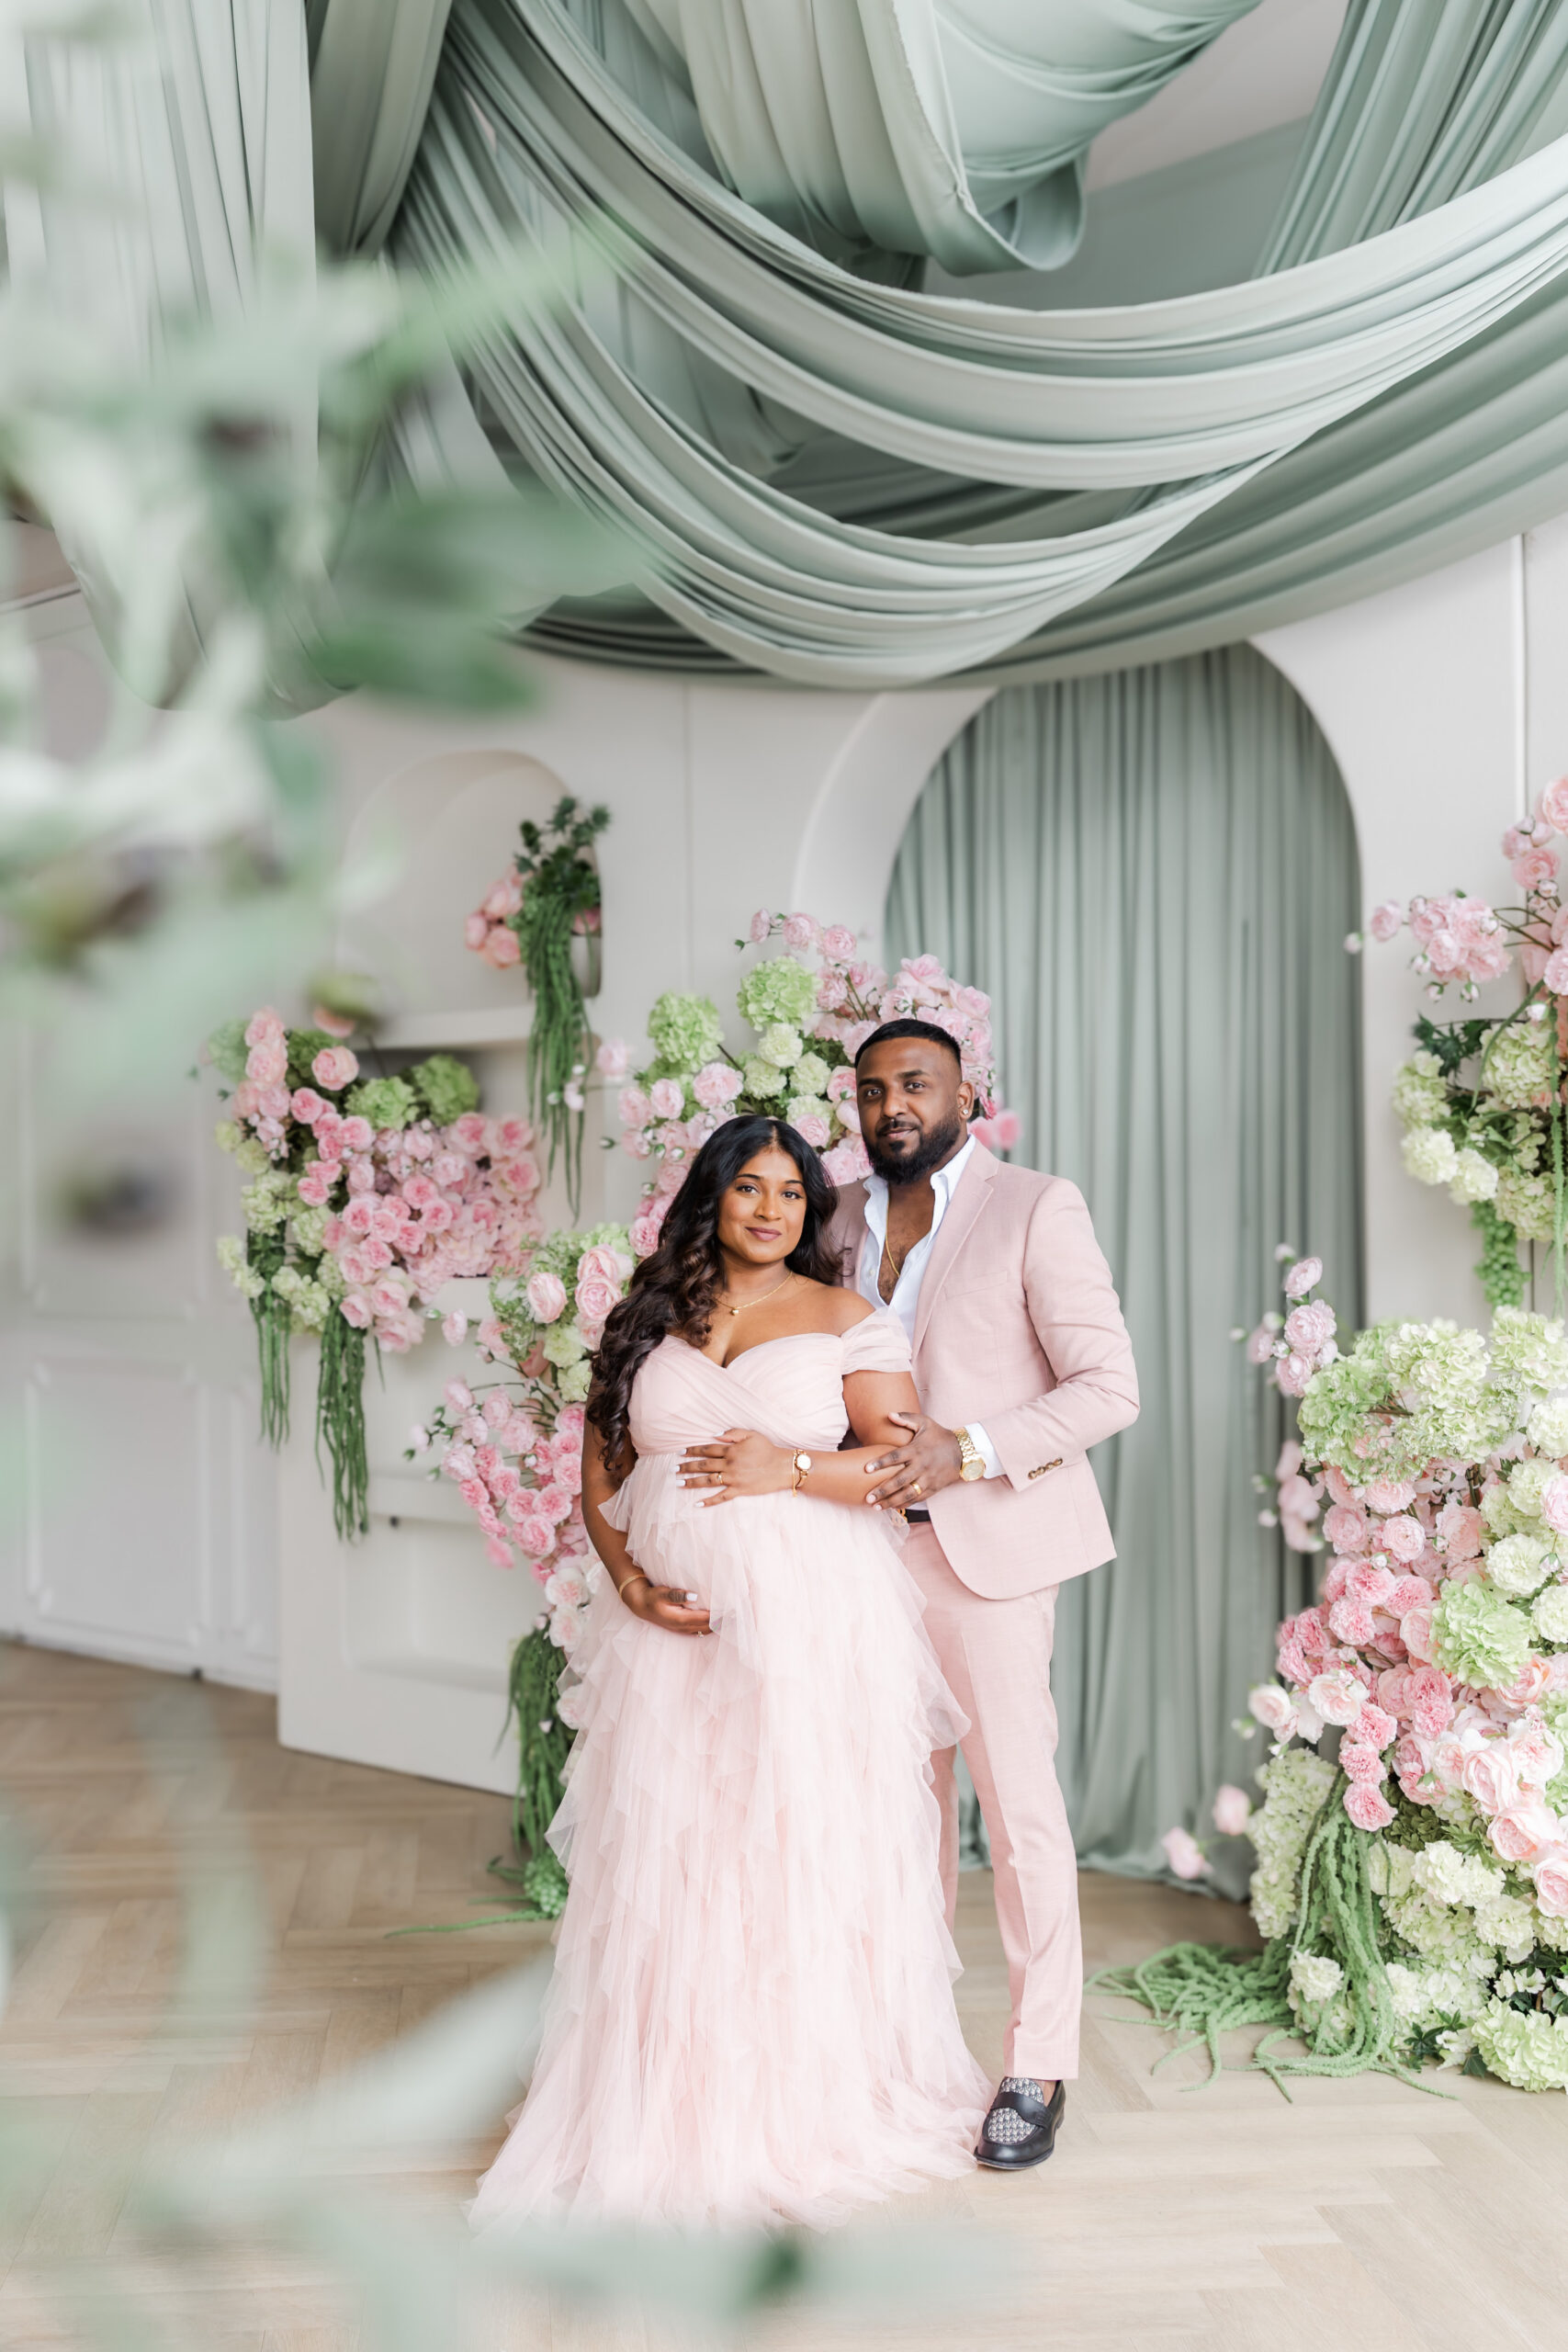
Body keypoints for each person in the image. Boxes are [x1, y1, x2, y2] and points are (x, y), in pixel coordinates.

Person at [469, 1114, 989, 2231]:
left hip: (808, 1628)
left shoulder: (848, 1318)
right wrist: (625, 1580)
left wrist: (787, 1465)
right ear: (712, 1196)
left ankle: (792, 2106)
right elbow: (601, 1460)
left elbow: (896, 1467)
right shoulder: (650, 1316)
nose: (770, 1209)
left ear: (811, 1211)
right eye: (749, 1187)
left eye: (792, 1193)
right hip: (667, 1636)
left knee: (783, 1846)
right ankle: (665, 2101)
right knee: (677, 1850)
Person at [826, 1020, 1138, 2172]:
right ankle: (900, 2048)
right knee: (891, 1819)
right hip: (857, 1560)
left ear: (969, 1093)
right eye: (870, 1091)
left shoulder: (1034, 1205)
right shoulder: (838, 1221)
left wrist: (973, 1448)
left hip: (989, 1556)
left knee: (1017, 1814)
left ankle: (1038, 2060)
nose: (891, 1106)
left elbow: (1111, 1385)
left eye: (914, 1084)